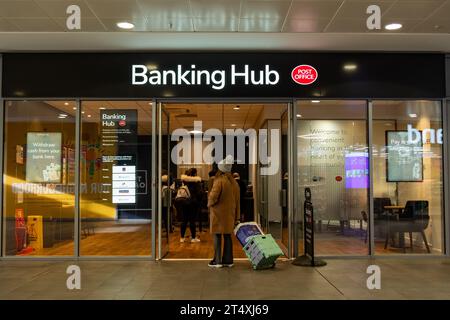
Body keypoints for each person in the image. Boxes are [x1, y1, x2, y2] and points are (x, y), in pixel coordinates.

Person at [207, 155, 240, 268]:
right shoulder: (234, 183)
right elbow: (237, 201)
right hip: (229, 214)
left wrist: (209, 204)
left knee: (216, 235)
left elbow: (213, 196)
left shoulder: (219, 180)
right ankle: (228, 260)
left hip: (218, 214)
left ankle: (217, 261)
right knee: (227, 236)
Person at [181, 168, 203, 242]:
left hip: (184, 203)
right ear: (195, 173)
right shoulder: (197, 182)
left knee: (184, 220)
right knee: (192, 221)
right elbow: (199, 194)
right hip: (193, 203)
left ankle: (182, 238)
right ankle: (193, 238)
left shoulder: (184, 181)